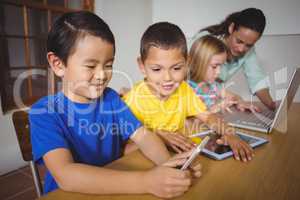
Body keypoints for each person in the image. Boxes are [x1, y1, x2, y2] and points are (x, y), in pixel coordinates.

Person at [29, 11, 202, 199]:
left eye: (108, 64)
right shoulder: (44, 112)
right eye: (90, 66)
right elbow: (66, 176)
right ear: (58, 64)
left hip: (116, 189)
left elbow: (144, 137)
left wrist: (170, 166)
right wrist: (146, 181)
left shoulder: (110, 98)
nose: (102, 75)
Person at [123, 22, 254, 162]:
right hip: (148, 163)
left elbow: (208, 117)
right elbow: (123, 150)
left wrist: (231, 134)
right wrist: (157, 136)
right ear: (142, 66)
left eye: (177, 68)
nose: (167, 78)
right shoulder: (132, 101)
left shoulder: (184, 89)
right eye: (157, 69)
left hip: (181, 156)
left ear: (187, 63)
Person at [191, 8, 276, 110]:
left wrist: (272, 105)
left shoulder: (213, 87)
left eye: (249, 45)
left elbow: (257, 79)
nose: (241, 49)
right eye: (239, 41)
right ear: (231, 28)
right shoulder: (205, 42)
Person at [188, 35, 260, 113]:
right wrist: (214, 109)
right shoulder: (187, 88)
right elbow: (188, 118)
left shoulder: (213, 86)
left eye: (221, 66)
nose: (219, 72)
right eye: (214, 66)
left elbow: (234, 96)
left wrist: (240, 102)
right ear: (197, 63)